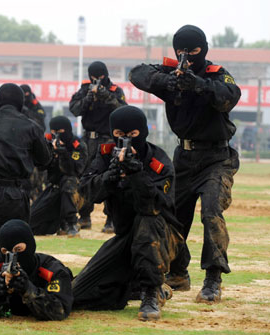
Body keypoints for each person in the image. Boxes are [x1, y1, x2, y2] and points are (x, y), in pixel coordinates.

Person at [129, 25, 241, 304]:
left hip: (217, 158)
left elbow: (231, 95)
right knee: (173, 215)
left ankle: (213, 278)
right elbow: (137, 73)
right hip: (185, 157)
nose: (187, 57)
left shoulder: (215, 74)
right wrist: (167, 82)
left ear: (203, 49)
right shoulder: (170, 73)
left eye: (193, 51)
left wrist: (199, 85)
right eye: (181, 51)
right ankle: (177, 272)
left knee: (212, 213)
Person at [72, 106, 183, 321]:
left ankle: (150, 292)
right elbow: (85, 191)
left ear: (142, 132)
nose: (126, 141)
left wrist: (137, 174)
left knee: (147, 220)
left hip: (163, 238)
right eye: (119, 136)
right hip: (126, 238)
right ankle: (139, 286)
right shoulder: (104, 155)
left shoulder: (157, 162)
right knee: (79, 293)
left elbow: (156, 206)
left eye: (132, 135)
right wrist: (108, 178)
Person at [0, 83, 51, 258]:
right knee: (15, 236)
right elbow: (44, 161)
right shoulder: (31, 126)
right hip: (11, 193)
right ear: (21, 103)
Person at [69, 61, 127, 233]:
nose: (97, 80)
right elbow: (74, 109)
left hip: (108, 139)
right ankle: (85, 216)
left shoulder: (115, 91)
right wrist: (88, 97)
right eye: (94, 77)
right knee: (86, 176)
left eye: (100, 77)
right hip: (88, 140)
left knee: (111, 175)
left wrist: (105, 96)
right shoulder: (84, 89)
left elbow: (122, 109)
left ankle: (111, 218)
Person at [29, 116, 87, 237]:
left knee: (68, 181)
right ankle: (58, 223)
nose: (57, 136)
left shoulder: (77, 146)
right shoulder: (50, 144)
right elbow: (41, 167)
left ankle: (72, 223)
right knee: (31, 223)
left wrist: (63, 153)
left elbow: (74, 172)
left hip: (75, 191)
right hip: (54, 188)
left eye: (60, 132)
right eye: (54, 132)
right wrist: (47, 151)